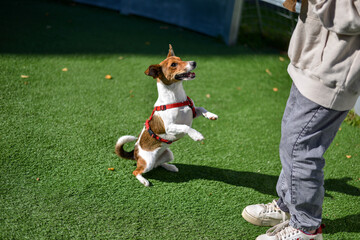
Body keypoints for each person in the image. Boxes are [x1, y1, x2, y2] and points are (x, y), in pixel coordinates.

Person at [241, 0, 360, 239]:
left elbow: (352, 17)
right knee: (292, 142)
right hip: (311, 63)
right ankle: (288, 206)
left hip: (334, 72)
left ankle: (306, 229)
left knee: (300, 149)